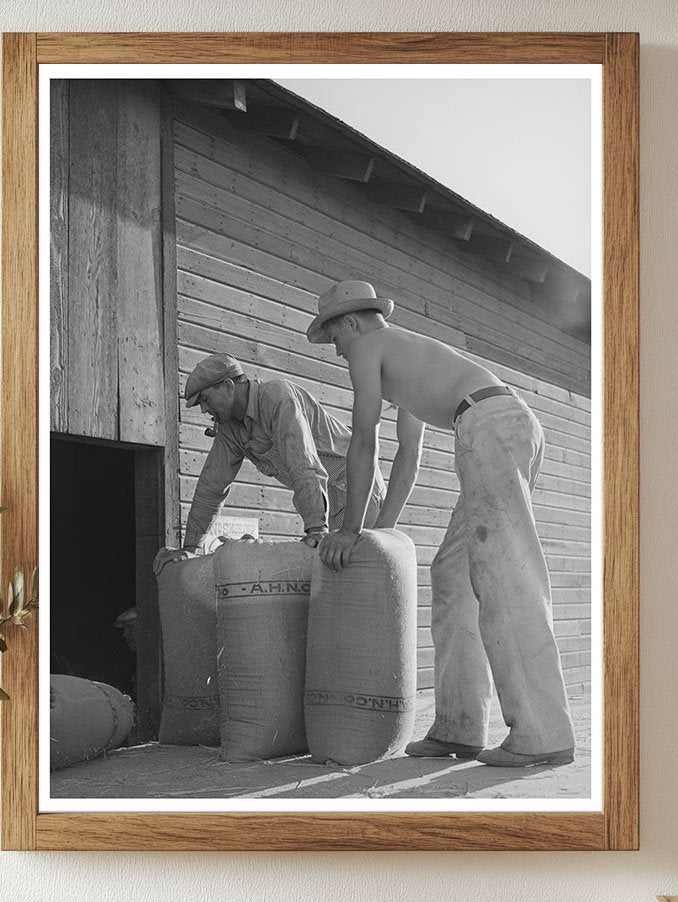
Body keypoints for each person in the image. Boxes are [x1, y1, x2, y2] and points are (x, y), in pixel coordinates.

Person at [307, 280, 575, 768]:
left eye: (335, 341)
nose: (339, 353)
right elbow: (408, 454)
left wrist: (348, 530)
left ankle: (542, 732)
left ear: (350, 322)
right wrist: (380, 530)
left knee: (503, 575)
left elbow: (362, 438)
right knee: (453, 576)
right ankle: (459, 725)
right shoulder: (406, 359)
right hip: (497, 424)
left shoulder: (369, 345)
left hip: (489, 425)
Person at [153, 352, 385, 575]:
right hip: (327, 503)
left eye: (205, 399)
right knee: (331, 584)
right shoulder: (229, 429)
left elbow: (303, 464)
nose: (204, 409)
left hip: (357, 491)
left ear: (228, 386)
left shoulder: (277, 396)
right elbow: (212, 487)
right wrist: (189, 548)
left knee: (353, 581)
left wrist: (315, 528)